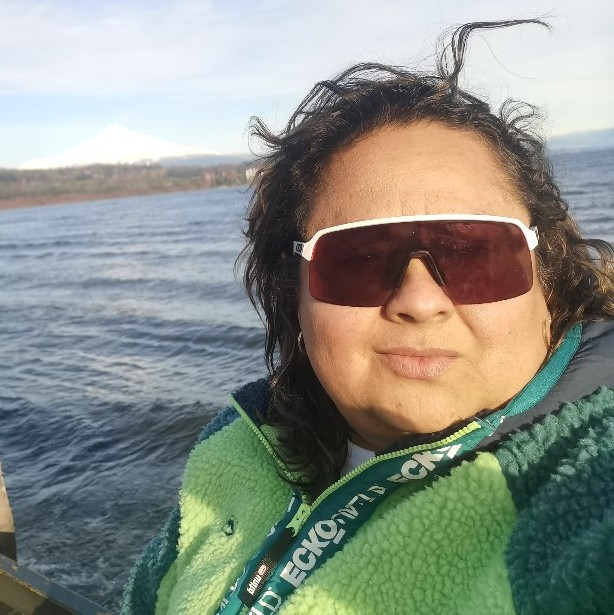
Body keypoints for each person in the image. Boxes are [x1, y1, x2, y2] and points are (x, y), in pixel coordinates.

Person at [121, 19, 614, 615]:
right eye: (358, 259)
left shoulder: (590, 479)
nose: (420, 301)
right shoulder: (238, 442)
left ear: (547, 274)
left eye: (473, 252)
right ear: (294, 292)